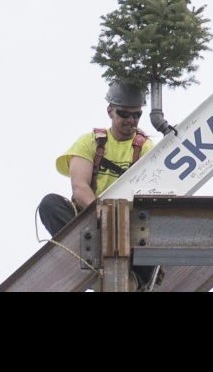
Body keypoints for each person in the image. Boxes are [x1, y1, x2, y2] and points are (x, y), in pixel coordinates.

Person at [38, 80, 158, 289]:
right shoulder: (91, 142)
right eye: (124, 114)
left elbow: (154, 188)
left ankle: (132, 281)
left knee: (156, 228)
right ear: (110, 111)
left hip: (130, 227)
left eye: (136, 115)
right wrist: (100, 210)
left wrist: (120, 219)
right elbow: (79, 187)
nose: (131, 120)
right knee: (50, 204)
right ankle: (90, 266)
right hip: (92, 223)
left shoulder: (145, 147)